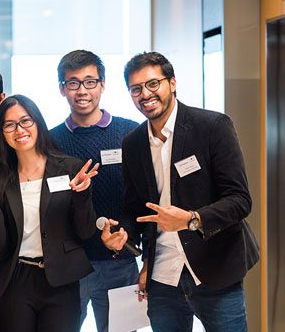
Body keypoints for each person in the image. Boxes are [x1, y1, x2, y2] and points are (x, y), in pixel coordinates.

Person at [101, 52, 259, 331]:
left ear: (172, 82)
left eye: (153, 84)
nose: (145, 94)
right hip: (163, 276)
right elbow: (134, 208)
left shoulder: (213, 127)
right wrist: (121, 233)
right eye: (136, 89)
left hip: (215, 270)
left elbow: (240, 201)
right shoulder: (133, 143)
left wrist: (191, 218)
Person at [0, 94, 98, 332]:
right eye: (9, 125)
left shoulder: (70, 169)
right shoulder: (0, 177)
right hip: (15, 279)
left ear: (37, 122)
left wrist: (81, 195)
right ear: (2, 132)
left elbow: (85, 232)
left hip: (60, 278)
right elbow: (1, 249)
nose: (19, 130)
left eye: (26, 121)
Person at [50, 49, 140, 332]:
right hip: (70, 264)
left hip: (121, 262)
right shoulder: (50, 141)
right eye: (73, 83)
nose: (82, 90)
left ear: (102, 84)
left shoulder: (131, 133)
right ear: (62, 89)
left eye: (90, 81)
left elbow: (144, 197)